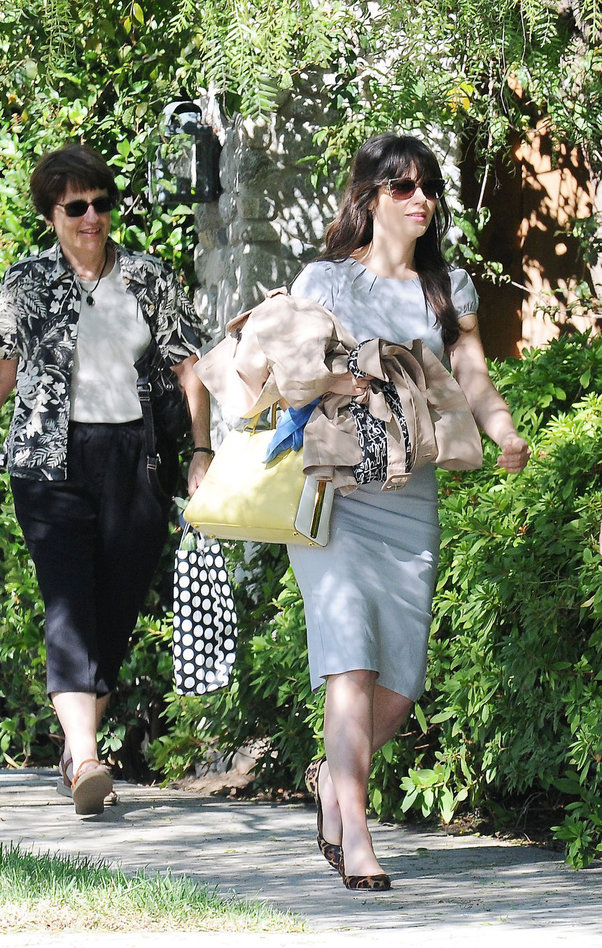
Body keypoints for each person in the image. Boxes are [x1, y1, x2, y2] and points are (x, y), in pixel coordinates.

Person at [288, 133, 530, 890]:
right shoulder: (324, 281)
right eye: (403, 187)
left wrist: (503, 431)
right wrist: (340, 379)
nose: (420, 198)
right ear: (370, 198)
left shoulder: (444, 286)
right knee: (350, 660)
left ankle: (332, 775)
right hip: (333, 494)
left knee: (402, 680)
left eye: (427, 187)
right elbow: (283, 373)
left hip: (409, 499)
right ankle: (356, 837)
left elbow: (473, 373)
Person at [0, 143, 212, 815]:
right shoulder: (26, 282)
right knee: (68, 600)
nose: (91, 217)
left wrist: (202, 450)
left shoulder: (149, 278)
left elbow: (190, 370)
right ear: (51, 215)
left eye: (101, 204)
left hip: (136, 458)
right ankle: (90, 758)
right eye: (76, 207)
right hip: (47, 462)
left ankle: (75, 746)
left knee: (116, 609)